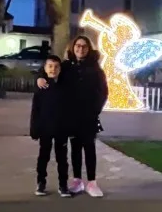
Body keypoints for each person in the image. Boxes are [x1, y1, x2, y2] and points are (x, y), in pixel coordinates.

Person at [37, 36, 109, 197]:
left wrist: (95, 109)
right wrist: (40, 77)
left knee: (89, 148)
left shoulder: (95, 69)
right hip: (71, 116)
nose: (80, 49)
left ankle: (92, 182)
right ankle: (77, 181)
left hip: (89, 116)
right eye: (78, 46)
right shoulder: (67, 66)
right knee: (75, 149)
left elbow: (103, 92)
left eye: (84, 46)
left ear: (89, 49)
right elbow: (50, 69)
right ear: (73, 47)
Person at [29, 55, 74, 198]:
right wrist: (34, 129)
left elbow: (71, 110)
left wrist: (71, 128)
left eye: (56, 67)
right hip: (45, 128)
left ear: (60, 69)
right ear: (45, 68)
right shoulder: (41, 86)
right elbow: (35, 110)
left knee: (62, 158)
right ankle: (41, 183)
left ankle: (63, 185)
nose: (53, 69)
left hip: (61, 128)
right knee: (43, 156)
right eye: (50, 66)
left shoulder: (66, 87)